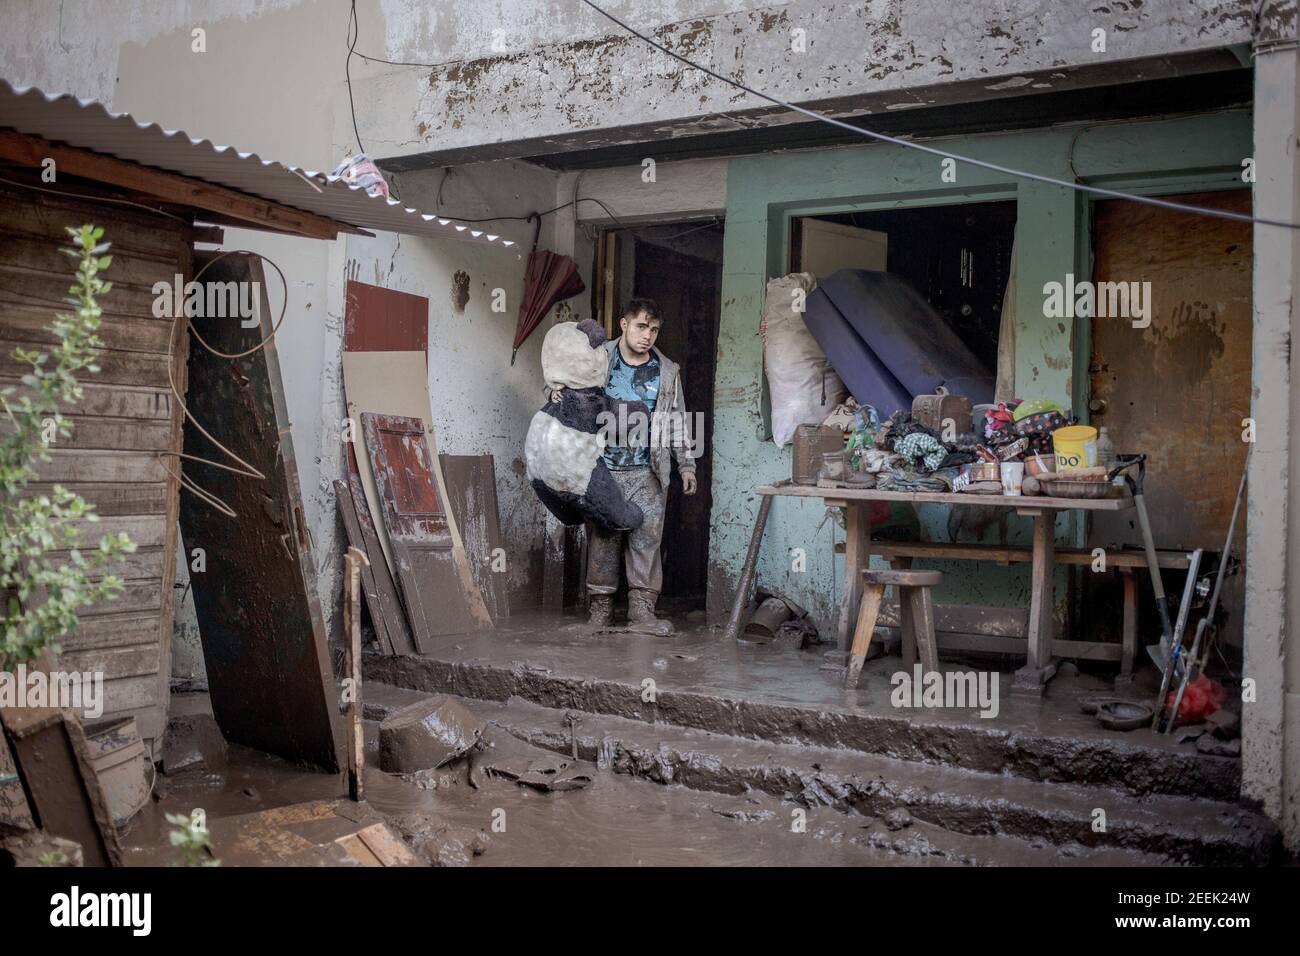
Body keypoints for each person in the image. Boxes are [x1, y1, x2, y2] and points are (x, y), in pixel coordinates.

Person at [586, 298, 696, 632]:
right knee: (604, 538)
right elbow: (567, 390)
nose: (648, 335)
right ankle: (600, 611)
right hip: (603, 467)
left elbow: (677, 419)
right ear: (624, 324)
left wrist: (686, 465)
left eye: (654, 329)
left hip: (649, 470)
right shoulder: (598, 359)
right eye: (641, 326)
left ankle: (641, 611)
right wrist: (556, 390)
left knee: (646, 539)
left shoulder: (667, 371)